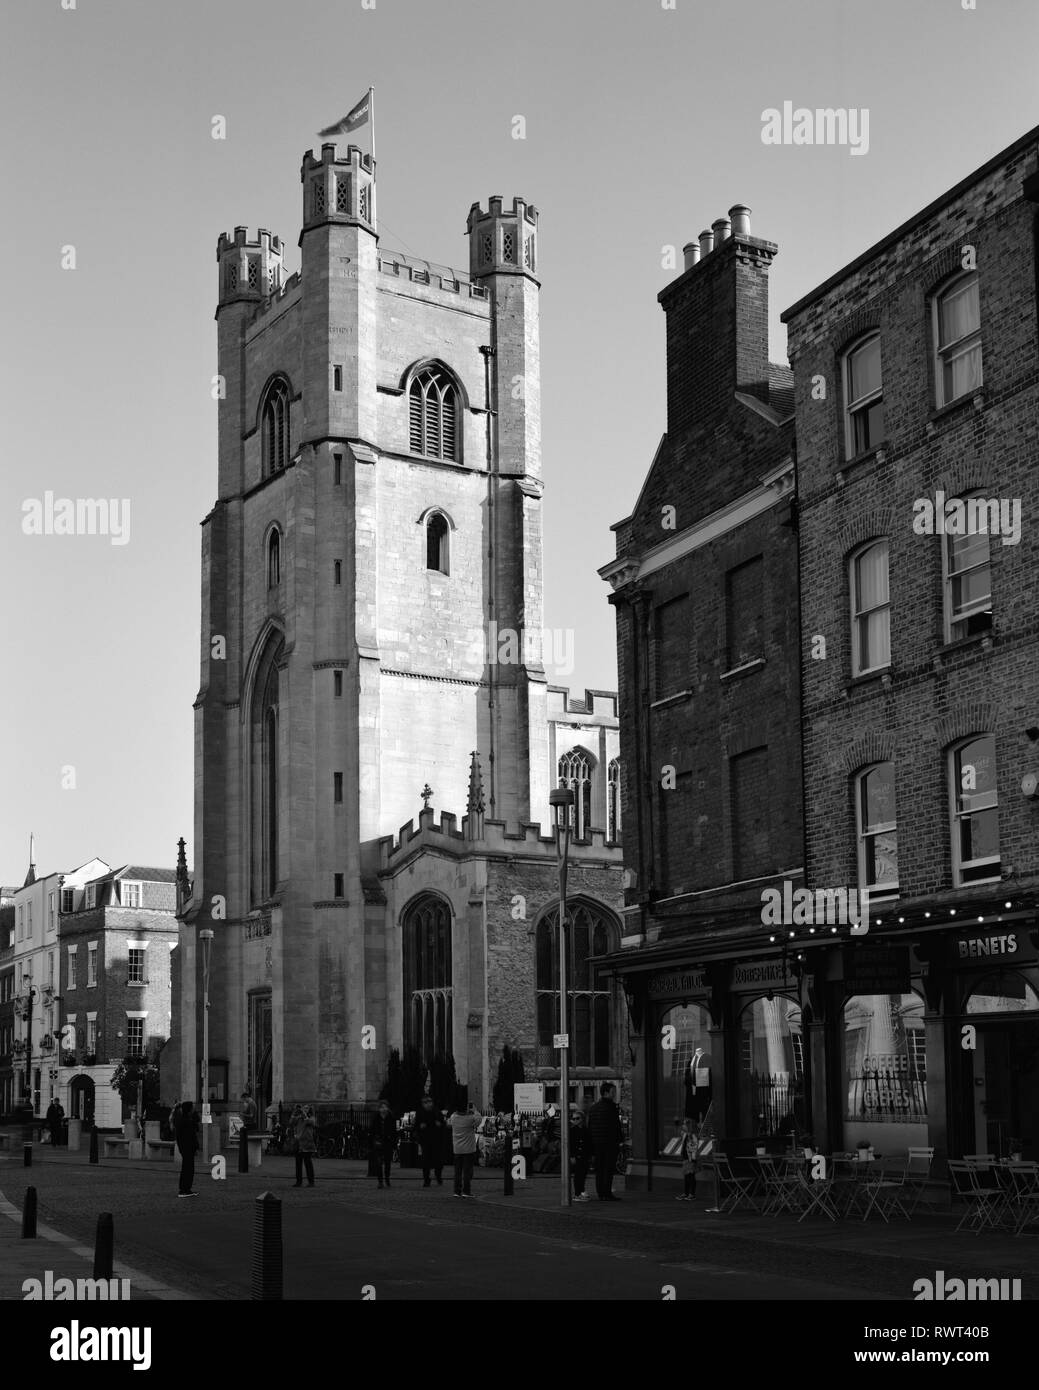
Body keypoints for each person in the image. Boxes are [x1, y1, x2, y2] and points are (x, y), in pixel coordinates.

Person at [588, 1081, 624, 1202]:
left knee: (600, 1169)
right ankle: (606, 1193)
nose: (614, 1094)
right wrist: (620, 1140)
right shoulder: (611, 1107)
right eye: (613, 1092)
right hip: (609, 1143)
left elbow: (590, 1127)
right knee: (608, 1169)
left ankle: (601, 1192)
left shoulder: (593, 1108)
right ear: (606, 1092)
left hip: (597, 1143)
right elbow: (615, 1126)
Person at [414, 1096, 446, 1187]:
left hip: (436, 1140)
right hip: (425, 1140)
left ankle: (438, 1176)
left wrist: (440, 1124)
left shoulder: (436, 1111)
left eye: (429, 1102)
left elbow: (443, 1124)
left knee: (438, 1160)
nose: (428, 1104)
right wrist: (420, 1127)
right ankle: (426, 1179)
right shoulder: (420, 1112)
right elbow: (416, 1126)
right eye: (425, 1102)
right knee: (426, 1161)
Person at [449, 1101, 479, 1198]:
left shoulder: (453, 1117)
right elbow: (479, 1120)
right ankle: (466, 1191)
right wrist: (474, 1110)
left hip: (457, 1149)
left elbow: (452, 1116)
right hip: (469, 1149)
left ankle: (457, 1191)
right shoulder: (470, 1118)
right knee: (467, 1172)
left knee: (457, 1171)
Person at [174, 1100, 201, 1196]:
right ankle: (185, 1189)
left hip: (185, 1148)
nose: (194, 1109)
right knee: (188, 1169)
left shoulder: (182, 1119)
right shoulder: (186, 1121)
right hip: (188, 1148)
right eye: (192, 1108)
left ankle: (184, 1188)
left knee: (186, 1168)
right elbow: (192, 1136)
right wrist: (196, 1147)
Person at [371, 1101, 397, 1189]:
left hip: (388, 1142)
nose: (383, 1109)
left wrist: (393, 1142)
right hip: (378, 1142)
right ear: (379, 1109)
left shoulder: (391, 1118)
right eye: (382, 1107)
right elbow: (372, 1130)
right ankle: (380, 1181)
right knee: (378, 1163)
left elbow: (394, 1131)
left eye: (385, 1107)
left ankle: (387, 1178)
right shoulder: (376, 1118)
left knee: (387, 1163)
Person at [677, 1120, 703, 1201]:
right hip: (685, 1158)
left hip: (691, 1158)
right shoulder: (685, 1135)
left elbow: (694, 1148)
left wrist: (693, 1159)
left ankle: (692, 1194)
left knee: (691, 1176)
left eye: (685, 1124)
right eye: (683, 1124)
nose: (683, 1126)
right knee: (686, 1176)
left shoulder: (692, 1135)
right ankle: (686, 1193)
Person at [570, 1107, 591, 1201]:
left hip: (585, 1155)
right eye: (573, 1118)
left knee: (583, 1174)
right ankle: (577, 1193)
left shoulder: (586, 1130)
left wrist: (591, 1155)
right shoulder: (572, 1131)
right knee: (578, 1175)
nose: (575, 1120)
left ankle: (581, 1191)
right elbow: (570, 1144)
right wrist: (572, 1156)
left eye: (577, 1118)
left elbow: (589, 1143)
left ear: (582, 1119)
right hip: (577, 1155)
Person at [292, 1104, 317, 1187]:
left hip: (307, 1143)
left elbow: (311, 1123)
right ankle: (298, 1181)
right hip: (299, 1143)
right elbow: (291, 1122)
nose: (304, 1109)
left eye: (306, 1108)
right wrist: (294, 1113)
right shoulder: (299, 1118)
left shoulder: (311, 1118)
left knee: (308, 1163)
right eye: (304, 1108)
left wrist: (305, 1116)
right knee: (298, 1163)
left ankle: (311, 1182)